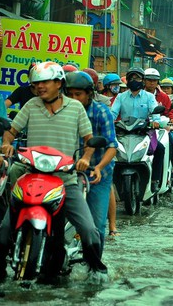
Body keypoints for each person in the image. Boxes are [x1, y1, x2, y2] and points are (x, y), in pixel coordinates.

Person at [0, 62, 108, 281]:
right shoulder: (30, 105)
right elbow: (11, 130)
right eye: (36, 83)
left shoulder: (75, 108)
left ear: (58, 83)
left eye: (45, 82)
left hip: (65, 178)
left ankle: (97, 273)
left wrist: (85, 158)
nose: (40, 87)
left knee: (88, 229)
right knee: (4, 228)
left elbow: (88, 140)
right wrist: (7, 143)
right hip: (31, 175)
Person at [64, 71, 117, 247]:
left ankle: (96, 267)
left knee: (96, 223)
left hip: (97, 173)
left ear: (89, 94)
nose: (74, 98)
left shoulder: (102, 112)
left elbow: (112, 146)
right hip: (67, 172)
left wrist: (99, 168)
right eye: (70, 94)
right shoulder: (62, 112)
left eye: (78, 94)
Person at [110, 67, 166, 192]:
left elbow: (155, 113)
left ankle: (155, 180)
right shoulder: (120, 97)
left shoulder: (149, 97)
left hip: (144, 132)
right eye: (132, 78)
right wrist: (107, 121)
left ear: (143, 80)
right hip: (123, 132)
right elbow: (113, 113)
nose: (135, 80)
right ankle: (110, 181)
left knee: (160, 149)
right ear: (128, 81)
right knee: (109, 148)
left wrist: (156, 121)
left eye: (138, 78)